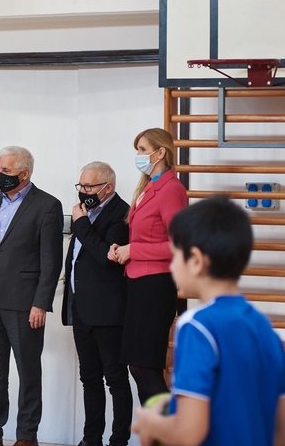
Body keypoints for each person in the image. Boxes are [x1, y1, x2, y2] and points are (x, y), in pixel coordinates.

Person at [132, 196, 285, 446]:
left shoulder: (196, 326)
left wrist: (151, 424)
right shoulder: (263, 327)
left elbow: (188, 433)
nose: (172, 266)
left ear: (196, 261)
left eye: (175, 256)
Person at [0, 146, 64, 446]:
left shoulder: (47, 205)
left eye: (6, 170)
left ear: (25, 173)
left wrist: (41, 302)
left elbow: (51, 261)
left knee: (28, 372)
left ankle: (27, 436)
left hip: (25, 303)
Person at [108, 127, 187, 404]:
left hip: (156, 285)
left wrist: (134, 250)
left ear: (160, 152)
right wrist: (122, 248)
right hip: (138, 283)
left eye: (143, 150)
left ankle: (167, 426)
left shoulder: (171, 189)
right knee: (138, 367)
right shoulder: (148, 187)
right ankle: (158, 426)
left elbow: (179, 244)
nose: (139, 156)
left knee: (146, 368)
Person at [61, 161, 132, 446]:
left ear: (108, 187)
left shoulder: (121, 214)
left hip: (108, 311)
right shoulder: (85, 211)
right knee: (89, 378)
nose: (83, 191)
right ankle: (91, 439)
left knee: (115, 378)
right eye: (81, 185)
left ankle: (118, 440)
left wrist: (80, 224)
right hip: (81, 308)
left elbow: (107, 258)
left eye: (89, 186)